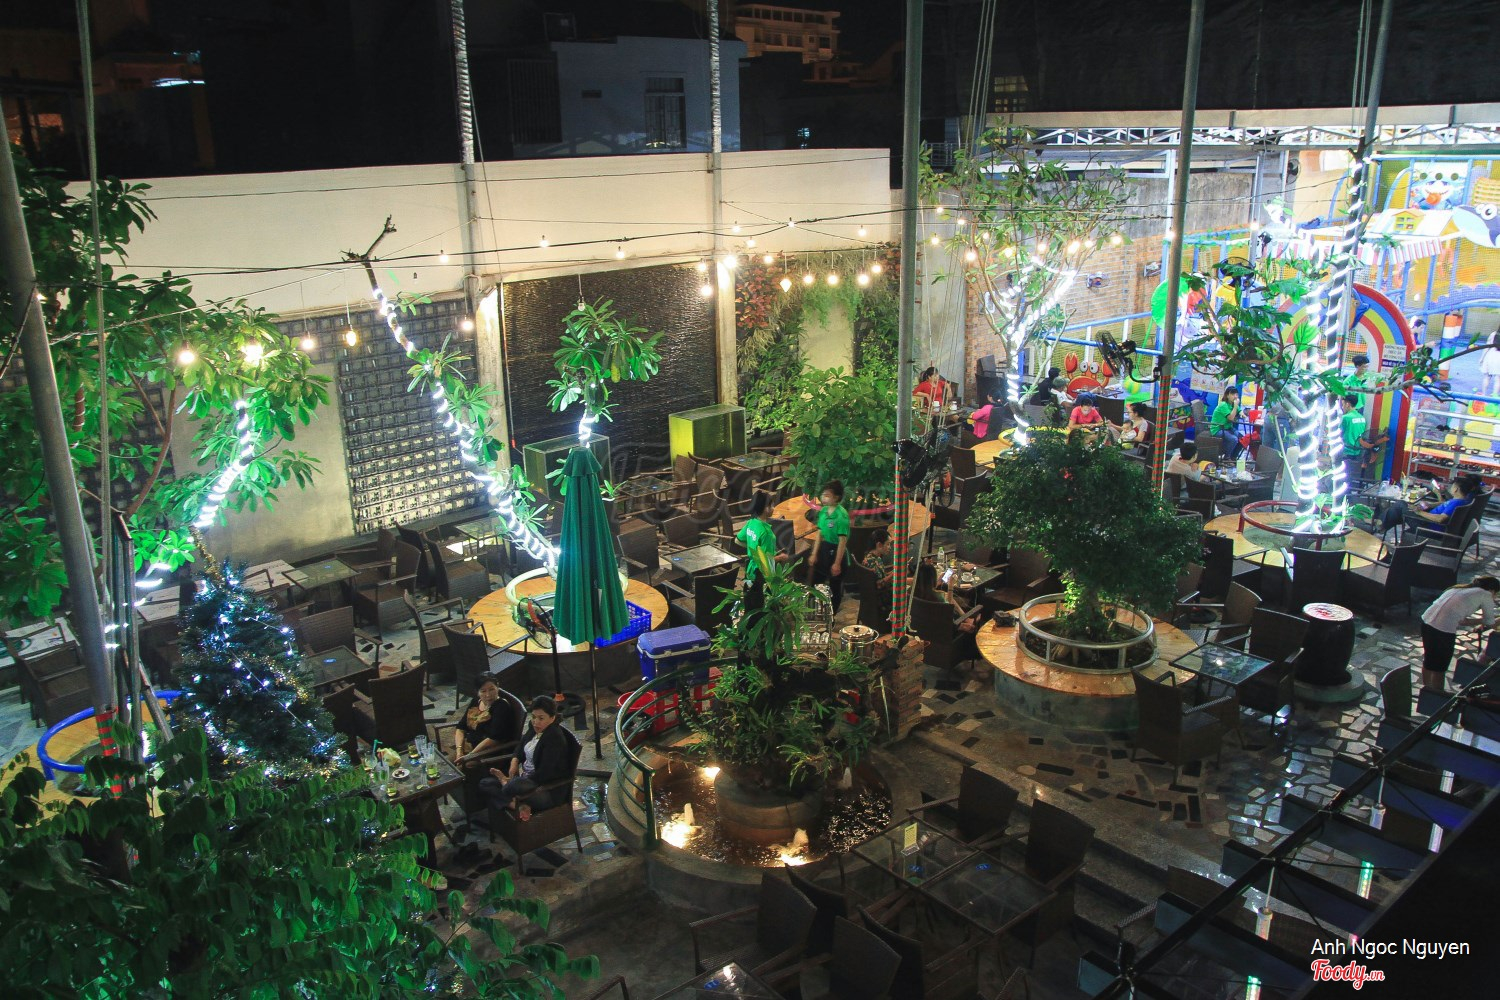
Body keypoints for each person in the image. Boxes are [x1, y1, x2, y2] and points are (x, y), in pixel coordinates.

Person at [480, 696, 573, 821]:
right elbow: (521, 746)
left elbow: (544, 774)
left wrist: (520, 782)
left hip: (545, 789)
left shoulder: (554, 738)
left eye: (541, 718)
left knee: (514, 785)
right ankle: (516, 805)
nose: (536, 722)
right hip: (527, 781)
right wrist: (514, 761)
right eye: (533, 717)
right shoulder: (534, 727)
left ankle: (506, 785)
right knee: (485, 783)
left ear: (552, 718)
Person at [1420, 576, 1499, 691]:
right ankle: (1438, 694)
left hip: (1426, 622)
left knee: (1429, 660)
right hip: (1443, 629)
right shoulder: (1485, 594)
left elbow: (1462, 621)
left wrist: (1480, 621)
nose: (1495, 597)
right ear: (1492, 590)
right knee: (1440, 667)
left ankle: (1426, 691)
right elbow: (1490, 622)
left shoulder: (1459, 589)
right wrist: (1492, 619)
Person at [735, 491, 787, 612]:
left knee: (751, 603)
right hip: (762, 575)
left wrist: (752, 548)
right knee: (763, 608)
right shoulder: (766, 533)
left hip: (750, 571)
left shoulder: (751, 523)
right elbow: (765, 561)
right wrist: (780, 557)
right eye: (771, 505)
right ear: (765, 508)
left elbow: (737, 540)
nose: (773, 508)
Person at [451, 675, 519, 767]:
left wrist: (470, 756)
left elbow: (493, 739)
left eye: (491, 689)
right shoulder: (476, 701)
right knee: (447, 763)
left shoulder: (502, 707)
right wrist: (459, 751)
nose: (488, 695)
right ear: (477, 692)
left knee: (462, 767)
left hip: (488, 751)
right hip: (470, 745)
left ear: (497, 687)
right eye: (483, 691)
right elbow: (461, 727)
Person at [808, 479, 850, 612]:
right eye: (823, 495)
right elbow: (820, 533)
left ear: (836, 497)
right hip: (824, 550)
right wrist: (814, 554)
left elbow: (842, 541)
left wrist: (837, 563)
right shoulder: (824, 511)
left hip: (836, 551)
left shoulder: (841, 515)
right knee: (816, 582)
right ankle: (814, 611)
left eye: (827, 495)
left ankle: (831, 614)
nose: (823, 498)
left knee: (834, 587)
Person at [1338, 394, 1367, 480]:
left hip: (1346, 451)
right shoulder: (1362, 418)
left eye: (1343, 404)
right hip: (1358, 451)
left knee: (1341, 476)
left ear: (1348, 404)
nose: (1342, 407)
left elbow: (1338, 432)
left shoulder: (1345, 418)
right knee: (1349, 476)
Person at [1209, 388, 1242, 461]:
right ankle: (1226, 458)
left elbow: (1240, 411)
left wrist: (1242, 413)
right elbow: (1231, 418)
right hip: (1218, 429)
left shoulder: (1232, 404)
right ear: (1227, 395)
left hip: (1228, 428)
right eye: (1233, 394)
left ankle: (1233, 457)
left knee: (1243, 439)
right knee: (1234, 439)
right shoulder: (1223, 405)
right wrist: (1235, 407)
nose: (1235, 396)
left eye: (1236, 394)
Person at [862, 526, 895, 590]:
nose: (890, 547)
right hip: (883, 593)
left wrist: (895, 571)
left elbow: (882, 575)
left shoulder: (871, 556)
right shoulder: (871, 561)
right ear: (879, 545)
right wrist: (894, 573)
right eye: (888, 544)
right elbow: (879, 584)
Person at [1482, 328, 1500, 398]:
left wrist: (1482, 358)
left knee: (1487, 377)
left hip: (1490, 356)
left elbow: (1486, 347)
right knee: (1498, 379)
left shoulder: (1493, 334)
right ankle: (1495, 397)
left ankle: (1483, 395)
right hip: (1498, 358)